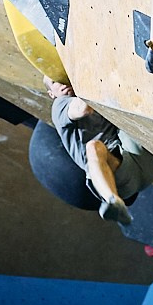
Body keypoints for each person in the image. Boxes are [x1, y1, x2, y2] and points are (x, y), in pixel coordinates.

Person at [44, 81, 134, 225]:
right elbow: (83, 109)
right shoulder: (59, 105)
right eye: (54, 82)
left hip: (125, 156)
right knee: (94, 147)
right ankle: (112, 200)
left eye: (62, 77)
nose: (61, 82)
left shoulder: (90, 96)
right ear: (51, 94)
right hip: (106, 167)